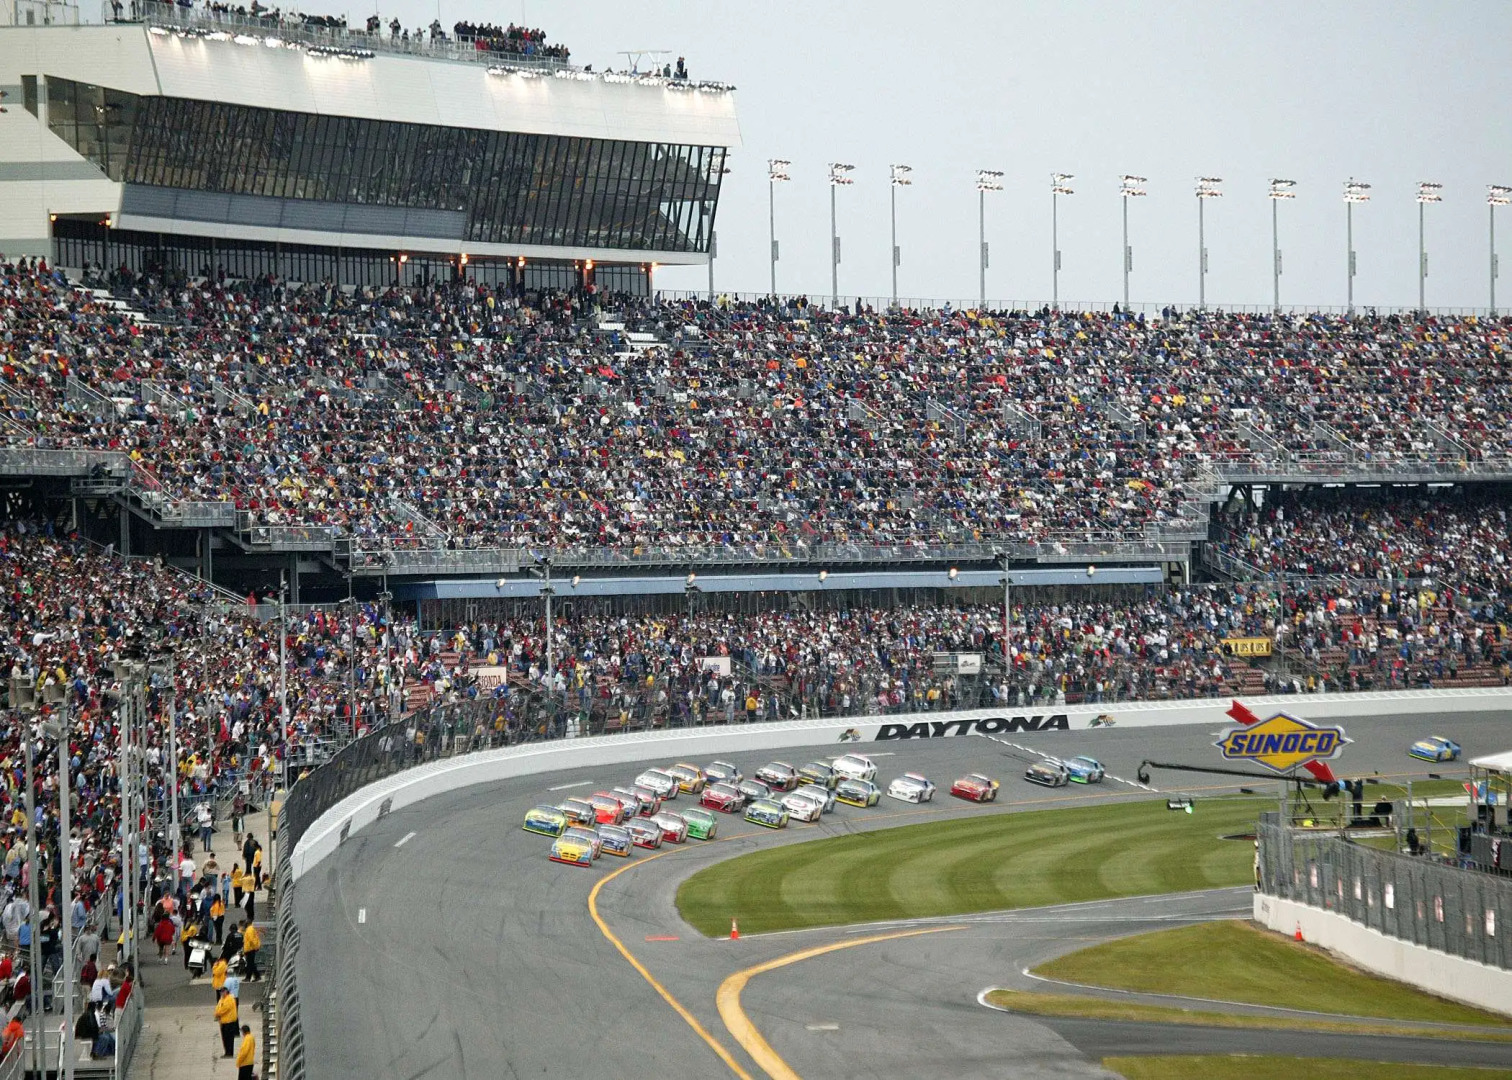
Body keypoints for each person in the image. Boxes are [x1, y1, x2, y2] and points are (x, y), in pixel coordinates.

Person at [214, 987, 238, 1057]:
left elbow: (225, 1009)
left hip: (229, 1021)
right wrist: (216, 1013)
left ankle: (229, 1053)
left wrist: (217, 1013)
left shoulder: (229, 999)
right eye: (220, 992)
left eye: (222, 992)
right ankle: (227, 1052)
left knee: (229, 1038)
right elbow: (218, 1007)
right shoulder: (222, 999)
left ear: (226, 992)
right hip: (223, 1021)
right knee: (225, 1038)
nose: (221, 993)